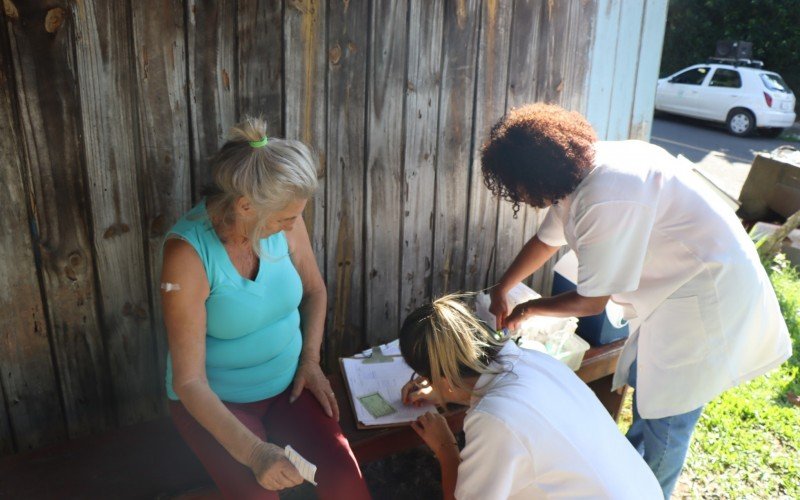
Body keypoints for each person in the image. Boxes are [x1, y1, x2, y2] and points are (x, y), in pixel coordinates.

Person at [482, 103, 792, 498]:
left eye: (518, 187)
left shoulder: (606, 193)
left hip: (706, 296)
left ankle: (652, 490)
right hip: (675, 293)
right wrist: (502, 287)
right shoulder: (579, 174)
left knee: (668, 417)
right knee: (649, 393)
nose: (520, 196)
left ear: (537, 173)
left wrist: (527, 309)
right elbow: (546, 241)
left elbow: (591, 302)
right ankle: (629, 479)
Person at [160, 118, 371, 499]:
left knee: (345, 483)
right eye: (285, 218)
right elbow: (188, 382)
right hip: (218, 404)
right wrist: (255, 453)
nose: (293, 224)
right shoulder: (187, 255)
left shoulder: (283, 218)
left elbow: (315, 292)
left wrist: (309, 360)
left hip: (289, 384)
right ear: (244, 206)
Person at [399, 295, 662, 500]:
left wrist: (445, 446)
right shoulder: (532, 360)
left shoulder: (494, 420)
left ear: (443, 377)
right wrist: (445, 390)